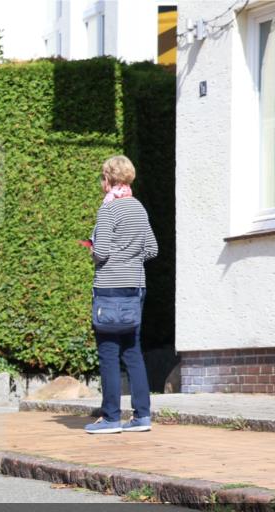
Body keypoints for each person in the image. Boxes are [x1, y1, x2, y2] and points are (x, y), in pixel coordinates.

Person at [82, 155, 157, 434]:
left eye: (102, 178)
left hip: (109, 287)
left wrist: (93, 251)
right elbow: (152, 248)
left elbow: (101, 252)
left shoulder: (108, 210)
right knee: (133, 350)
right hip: (136, 287)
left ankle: (111, 418)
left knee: (109, 352)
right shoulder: (139, 208)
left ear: (108, 179)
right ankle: (142, 416)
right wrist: (130, 259)